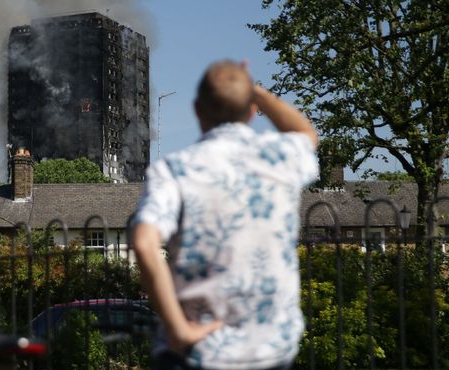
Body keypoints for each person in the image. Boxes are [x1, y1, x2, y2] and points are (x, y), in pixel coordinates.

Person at [131, 60, 318, 370]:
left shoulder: (174, 170)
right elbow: (306, 133)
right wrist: (254, 91)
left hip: (199, 353)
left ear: (197, 109)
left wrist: (178, 329)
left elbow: (144, 244)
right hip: (270, 352)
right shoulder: (282, 157)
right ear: (249, 111)